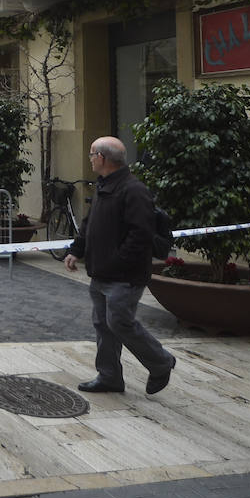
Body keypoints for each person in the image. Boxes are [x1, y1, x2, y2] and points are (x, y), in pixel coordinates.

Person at [64, 136, 176, 396]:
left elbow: (141, 235)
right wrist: (76, 250)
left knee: (120, 323)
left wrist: (116, 262)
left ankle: (161, 362)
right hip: (102, 273)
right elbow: (89, 223)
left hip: (124, 276)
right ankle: (109, 376)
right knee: (103, 324)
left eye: (92, 154)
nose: (90, 159)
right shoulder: (105, 185)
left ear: (102, 158)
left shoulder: (133, 190)